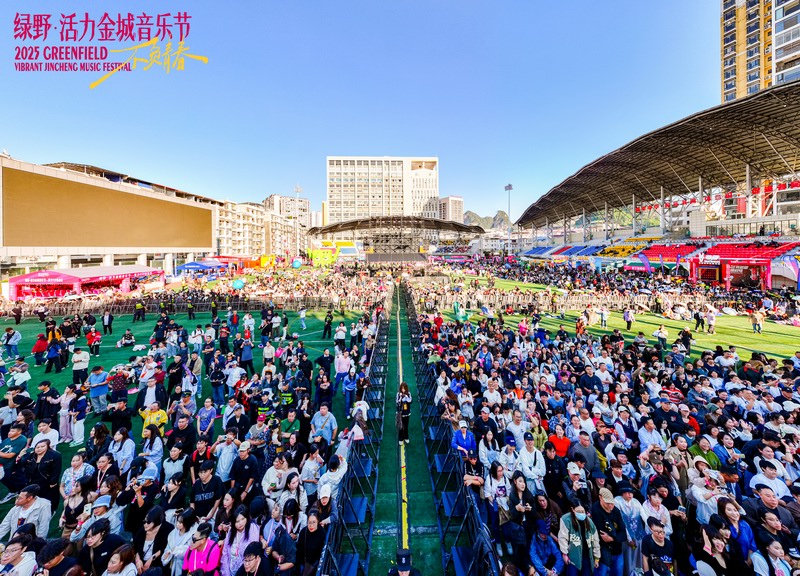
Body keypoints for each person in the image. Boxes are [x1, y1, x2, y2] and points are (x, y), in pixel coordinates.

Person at [558, 503, 601, 576]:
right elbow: (562, 538)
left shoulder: (589, 521)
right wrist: (564, 553)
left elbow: (595, 540)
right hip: (573, 557)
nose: (581, 513)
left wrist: (596, 557)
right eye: (578, 511)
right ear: (573, 509)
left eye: (582, 511)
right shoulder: (566, 519)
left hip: (587, 556)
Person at [133, 506, 174, 574]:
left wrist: (151, 559)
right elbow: (135, 548)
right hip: (141, 565)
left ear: (156, 521)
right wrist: (138, 561)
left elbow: (165, 548)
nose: (145, 524)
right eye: (144, 521)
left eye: (148, 522)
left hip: (157, 567)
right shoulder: (141, 531)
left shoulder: (168, 529)